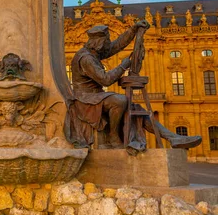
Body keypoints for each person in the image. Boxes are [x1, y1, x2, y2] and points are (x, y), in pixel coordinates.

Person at [65, 23, 202, 153]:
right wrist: (123, 66)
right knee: (120, 101)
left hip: (96, 97)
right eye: (107, 41)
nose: (108, 45)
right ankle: (113, 137)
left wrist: (133, 29)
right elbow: (106, 80)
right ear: (99, 42)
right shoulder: (86, 58)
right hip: (85, 99)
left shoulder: (94, 53)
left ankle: (173, 138)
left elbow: (117, 45)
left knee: (137, 110)